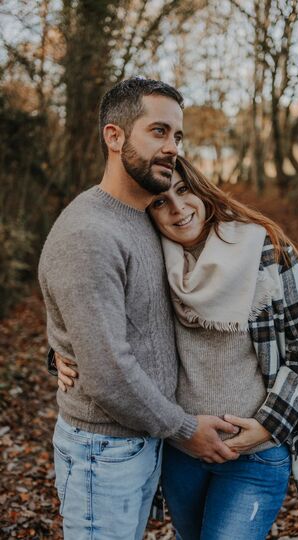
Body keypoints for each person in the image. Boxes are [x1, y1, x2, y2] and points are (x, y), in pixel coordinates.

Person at [57, 155, 298, 539]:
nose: (177, 209)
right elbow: (101, 328)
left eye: (183, 190)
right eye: (159, 202)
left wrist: (267, 427)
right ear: (148, 211)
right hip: (182, 452)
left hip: (255, 455)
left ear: (201, 188)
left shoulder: (264, 249)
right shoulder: (151, 260)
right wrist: (61, 355)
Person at [38, 78, 240, 540]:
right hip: (103, 452)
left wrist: (61, 349)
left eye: (177, 135)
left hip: (142, 438)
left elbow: (104, 318)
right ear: (114, 136)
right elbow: (108, 371)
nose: (172, 147)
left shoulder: (144, 215)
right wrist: (184, 429)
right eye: (158, 131)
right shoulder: (89, 233)